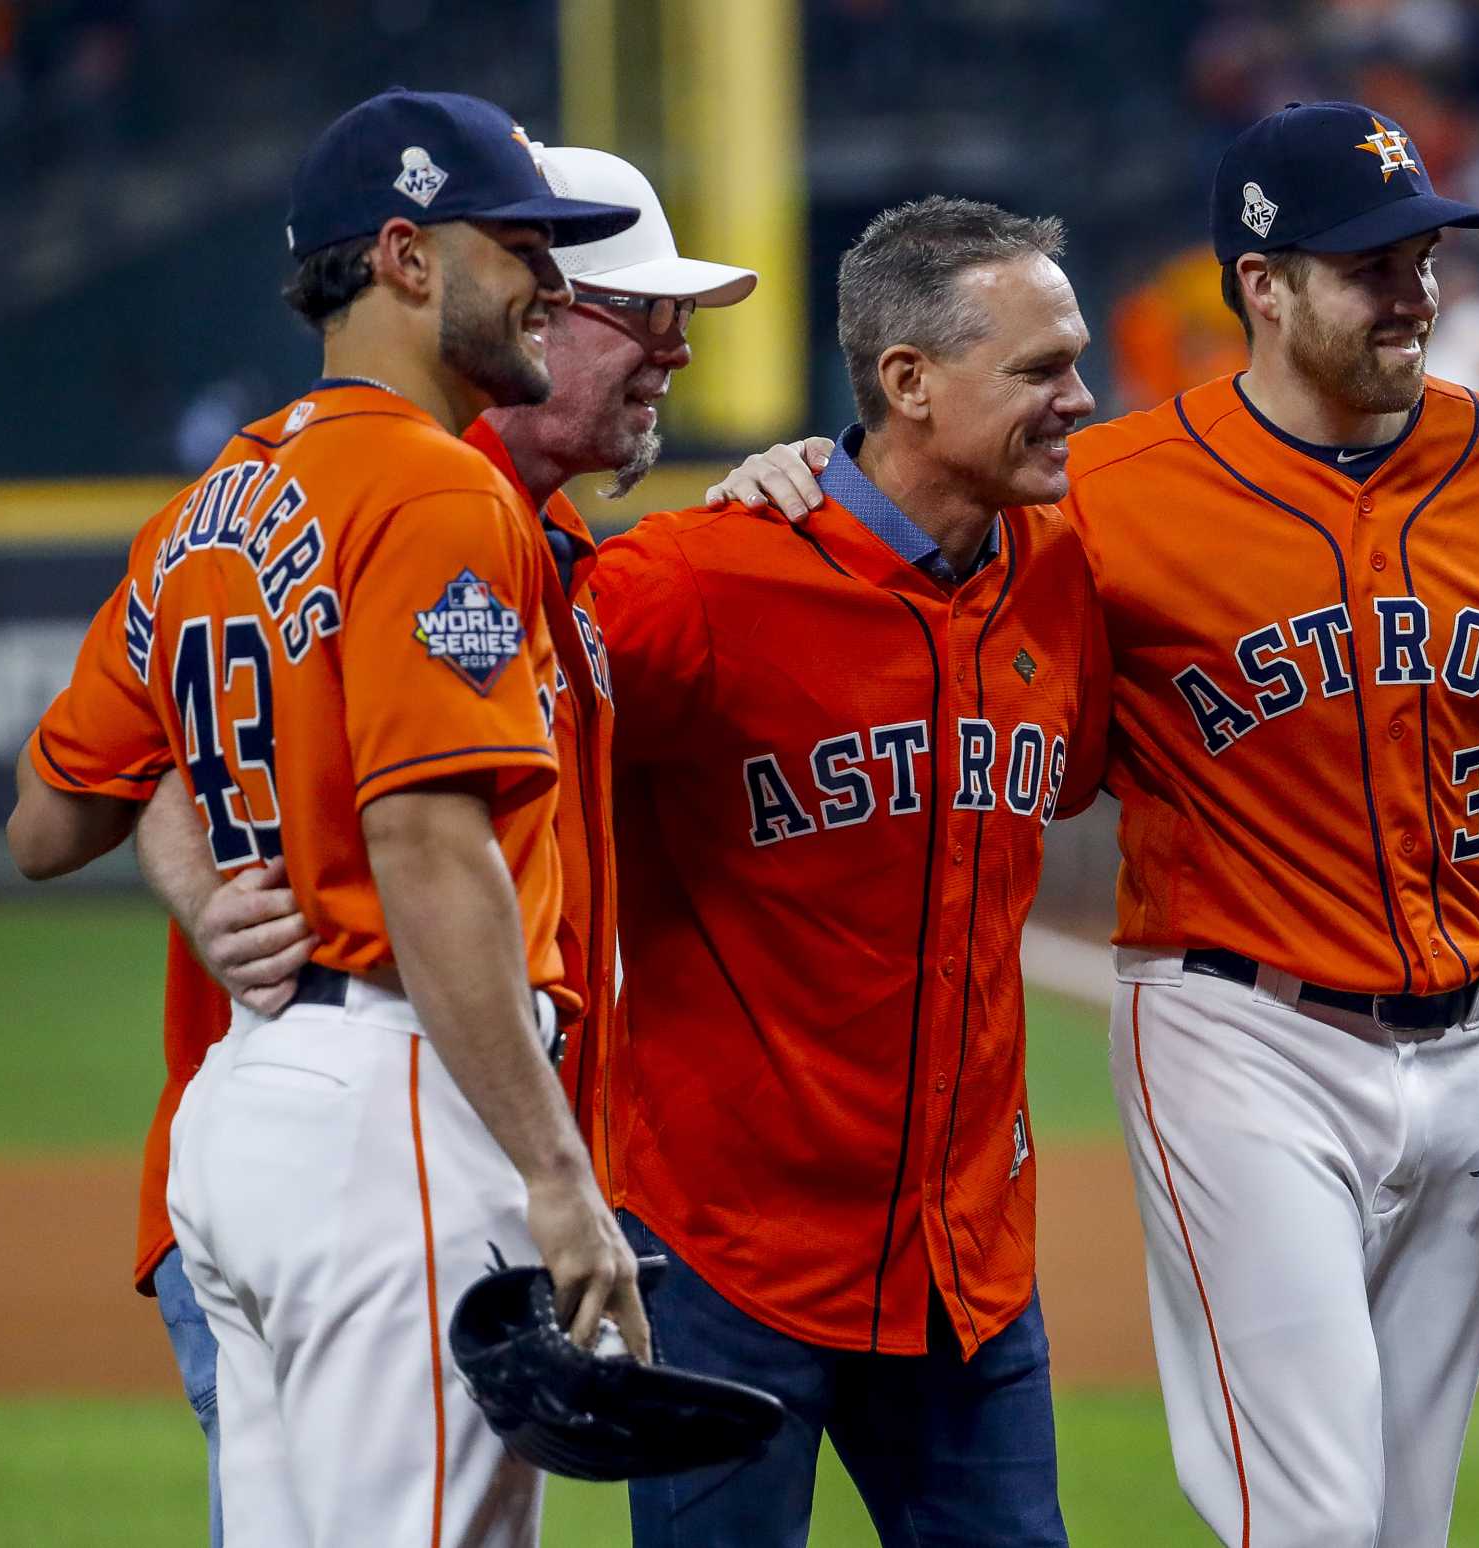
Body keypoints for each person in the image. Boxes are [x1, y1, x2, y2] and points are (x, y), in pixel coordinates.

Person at [710, 102, 1479, 1548]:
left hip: (1466, 1057)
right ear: (1260, 285)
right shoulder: (1104, 499)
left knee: (1400, 1526)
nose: (1417, 291)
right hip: (1240, 1038)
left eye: (1427, 254)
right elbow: (906, 546)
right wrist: (797, 481)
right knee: (1312, 1521)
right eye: (1370, 264)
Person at [12, 137, 754, 1544]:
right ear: (406, 259)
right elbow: (426, 844)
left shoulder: (213, 500)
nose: (544, 278)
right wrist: (557, 1175)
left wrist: (212, 855)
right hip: (396, 1093)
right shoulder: (435, 490)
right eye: (519, 251)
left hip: (245, 1122)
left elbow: (49, 818)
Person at [591, 195, 1110, 1547]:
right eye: (1042, 369)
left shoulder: (1067, 568)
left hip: (966, 1273)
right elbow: (467, 727)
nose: (1082, 398)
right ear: (908, 382)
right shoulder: (694, 583)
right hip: (725, 1263)